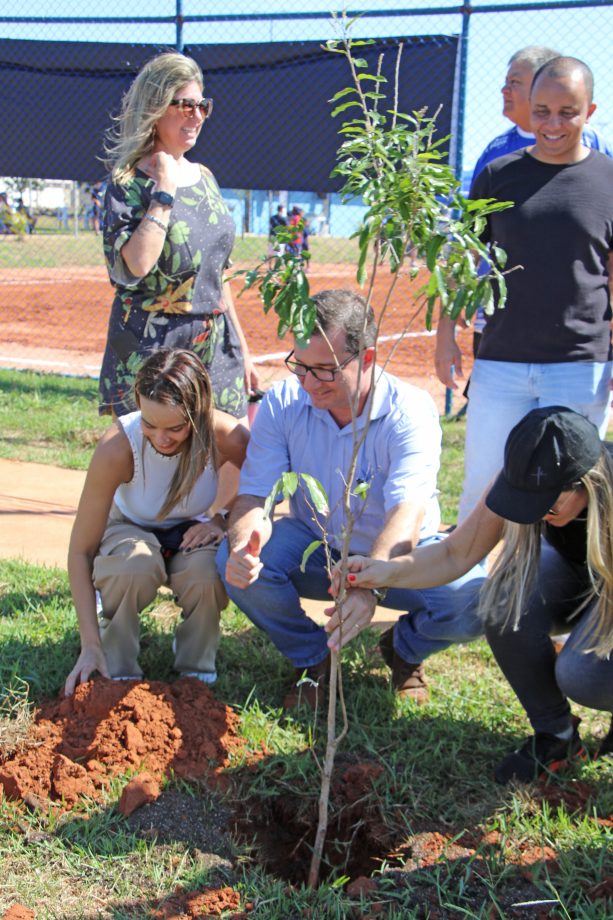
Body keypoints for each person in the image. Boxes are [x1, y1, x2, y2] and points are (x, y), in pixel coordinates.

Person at [217, 289, 486, 708]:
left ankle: (403, 648)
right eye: (300, 366)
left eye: (324, 370)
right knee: (229, 562)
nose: (307, 382)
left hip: (407, 557)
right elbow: (255, 494)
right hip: (317, 544)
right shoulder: (284, 401)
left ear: (368, 359)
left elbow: (406, 513)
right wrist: (242, 543)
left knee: (476, 600)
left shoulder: (409, 411)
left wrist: (370, 586)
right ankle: (313, 661)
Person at [327, 406, 613, 782]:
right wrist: (387, 571)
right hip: (581, 568)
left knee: (582, 674)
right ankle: (556, 734)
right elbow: (454, 553)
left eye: (550, 503)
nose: (538, 513)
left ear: (585, 482)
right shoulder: (523, 479)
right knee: (502, 603)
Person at [449, 57, 613, 521]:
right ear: (528, 109)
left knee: (567, 497)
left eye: (568, 112)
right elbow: (463, 259)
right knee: (482, 489)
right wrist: (446, 333)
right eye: (542, 111)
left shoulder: (608, 180)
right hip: (501, 361)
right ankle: (472, 590)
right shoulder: (498, 175)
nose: (553, 124)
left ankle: (559, 589)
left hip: (580, 364)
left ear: (590, 110)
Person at [65, 348, 249, 696]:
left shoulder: (226, 434)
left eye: (176, 428)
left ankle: (196, 674)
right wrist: (88, 643)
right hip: (129, 527)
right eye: (150, 424)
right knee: (133, 566)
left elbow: (262, 482)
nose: (161, 438)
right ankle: (115, 662)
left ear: (198, 411)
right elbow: (80, 551)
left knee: (207, 575)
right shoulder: (118, 448)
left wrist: (222, 520)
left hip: (191, 528)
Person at [99, 51, 259, 419]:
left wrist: (243, 349)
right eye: (185, 105)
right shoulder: (127, 183)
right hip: (150, 343)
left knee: (222, 454)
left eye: (202, 105)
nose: (197, 115)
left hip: (213, 343)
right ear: (155, 107)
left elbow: (219, 275)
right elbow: (136, 265)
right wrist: (164, 191)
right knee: (149, 459)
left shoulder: (206, 178)